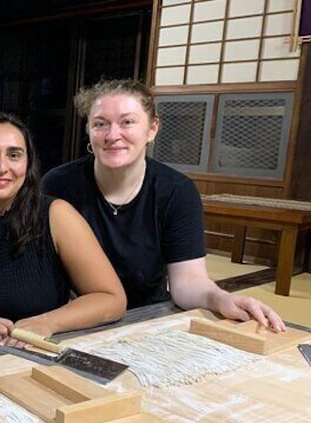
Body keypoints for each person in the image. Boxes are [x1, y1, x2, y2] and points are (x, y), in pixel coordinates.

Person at [43, 79, 285, 331]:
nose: (113, 135)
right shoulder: (59, 185)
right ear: (89, 131)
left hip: (147, 317)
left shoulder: (176, 192)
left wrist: (221, 298)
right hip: (72, 318)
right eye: (100, 124)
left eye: (127, 122)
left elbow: (188, 281)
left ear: (152, 129)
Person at [0, 112, 126, 346]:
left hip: (43, 355)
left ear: (27, 165)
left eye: (14, 155)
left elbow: (111, 299)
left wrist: (48, 322)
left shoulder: (57, 215)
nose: (1, 167)